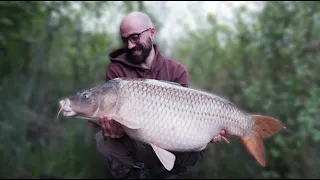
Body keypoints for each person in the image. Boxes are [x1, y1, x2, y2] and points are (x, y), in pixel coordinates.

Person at [89, 12, 229, 179]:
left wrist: (210, 130)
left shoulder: (177, 70)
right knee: (103, 140)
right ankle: (135, 175)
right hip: (136, 142)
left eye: (134, 37)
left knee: (200, 140)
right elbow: (109, 116)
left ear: (152, 33)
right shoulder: (116, 71)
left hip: (173, 140)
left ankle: (168, 175)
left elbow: (188, 118)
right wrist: (112, 128)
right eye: (125, 40)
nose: (130, 45)